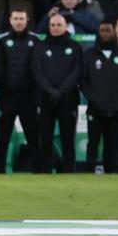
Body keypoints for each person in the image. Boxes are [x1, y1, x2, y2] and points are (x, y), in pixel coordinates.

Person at [82, 21, 118, 174]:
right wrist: (95, 100)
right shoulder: (89, 55)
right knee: (93, 143)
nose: (105, 33)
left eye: (108, 30)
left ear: (113, 33)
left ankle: (115, 173)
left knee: (115, 144)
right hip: (95, 109)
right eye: (102, 30)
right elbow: (84, 82)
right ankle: (89, 173)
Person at [32, 13, 82, 173]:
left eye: (59, 25)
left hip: (68, 99)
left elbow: (77, 71)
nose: (55, 28)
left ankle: (68, 170)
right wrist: (50, 90)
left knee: (68, 138)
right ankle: (46, 170)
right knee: (45, 138)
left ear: (66, 26)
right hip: (46, 99)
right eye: (52, 25)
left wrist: (61, 91)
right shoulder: (40, 46)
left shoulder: (75, 46)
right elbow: (37, 70)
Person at [0, 9, 40, 173]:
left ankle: (38, 172)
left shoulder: (35, 40)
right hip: (7, 97)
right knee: (3, 138)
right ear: (10, 20)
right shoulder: (3, 41)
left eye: (22, 18)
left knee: (34, 137)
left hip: (29, 98)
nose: (19, 21)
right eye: (16, 18)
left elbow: (38, 70)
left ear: (27, 20)